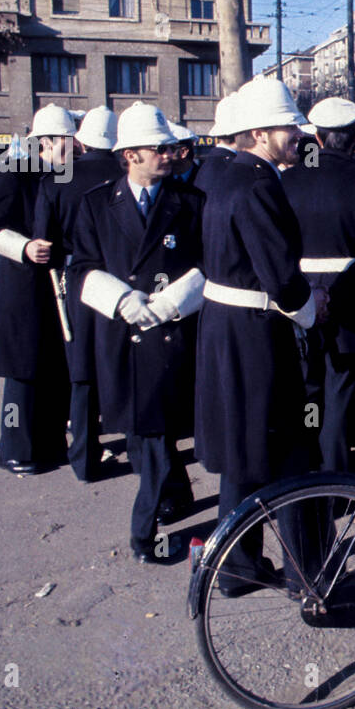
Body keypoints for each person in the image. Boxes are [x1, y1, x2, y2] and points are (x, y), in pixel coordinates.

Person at [195, 77, 319, 596]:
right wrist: (310, 310)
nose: (296, 136)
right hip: (257, 333)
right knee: (292, 455)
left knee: (243, 453)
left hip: (225, 329)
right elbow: (281, 275)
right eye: (289, 127)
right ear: (262, 132)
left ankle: (239, 565)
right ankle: (306, 574)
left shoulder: (222, 174)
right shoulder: (258, 184)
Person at [71, 103, 205, 563]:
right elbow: (82, 268)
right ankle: (157, 516)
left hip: (171, 332)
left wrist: (171, 303)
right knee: (144, 436)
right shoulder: (96, 204)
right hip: (123, 335)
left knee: (157, 433)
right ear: (130, 155)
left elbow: (208, 264)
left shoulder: (190, 202)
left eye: (169, 148)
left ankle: (145, 529)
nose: (169, 155)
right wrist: (125, 301)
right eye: (158, 149)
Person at [281, 96, 355, 473]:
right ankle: (336, 479)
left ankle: (305, 471)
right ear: (352, 135)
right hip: (349, 302)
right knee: (339, 393)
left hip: (298, 298)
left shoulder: (289, 178)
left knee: (307, 391)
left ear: (317, 135)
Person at [0, 104, 74, 474]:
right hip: (24, 285)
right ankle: (15, 449)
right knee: (23, 370)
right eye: (67, 143)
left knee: (55, 369)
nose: (74, 149)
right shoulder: (14, 174)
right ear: (46, 143)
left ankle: (52, 445)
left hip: (58, 286)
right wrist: (23, 247)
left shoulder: (66, 177)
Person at [33, 105, 121, 482]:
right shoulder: (126, 174)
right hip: (122, 278)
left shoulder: (55, 180)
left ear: (81, 140)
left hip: (78, 278)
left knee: (82, 370)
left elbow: (44, 240)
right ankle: (143, 448)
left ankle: (84, 459)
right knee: (124, 364)